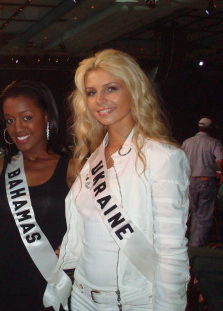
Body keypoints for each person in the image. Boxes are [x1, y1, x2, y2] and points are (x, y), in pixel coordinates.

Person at [55, 49, 190, 310]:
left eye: (111, 88)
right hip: (81, 296)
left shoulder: (163, 157)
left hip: (130, 301)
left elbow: (172, 252)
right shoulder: (92, 158)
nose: (99, 100)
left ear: (134, 90)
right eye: (92, 92)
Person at [0, 80, 75, 311]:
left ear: (46, 116)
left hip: (52, 289)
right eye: (9, 120)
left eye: (26, 118)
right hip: (2, 289)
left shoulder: (74, 168)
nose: (17, 128)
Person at [182, 116, 223, 247]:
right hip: (206, 182)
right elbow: (220, 161)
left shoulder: (187, 142)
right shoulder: (214, 142)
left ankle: (184, 244)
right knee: (203, 217)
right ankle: (195, 247)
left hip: (188, 182)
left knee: (189, 215)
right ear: (210, 129)